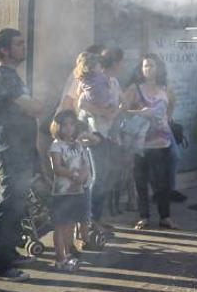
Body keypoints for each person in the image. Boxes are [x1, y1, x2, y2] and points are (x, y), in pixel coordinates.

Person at [0, 28, 44, 282]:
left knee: (17, 205)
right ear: (4, 50)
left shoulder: (12, 76)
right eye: (19, 44)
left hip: (22, 150)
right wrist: (37, 107)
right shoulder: (2, 77)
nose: (24, 47)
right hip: (11, 151)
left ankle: (8, 253)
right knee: (8, 206)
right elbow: (32, 107)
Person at [123, 54, 178, 230]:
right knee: (141, 181)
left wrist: (166, 121)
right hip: (141, 144)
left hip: (162, 142)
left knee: (162, 182)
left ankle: (165, 217)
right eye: (145, 66)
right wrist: (140, 113)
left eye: (152, 66)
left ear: (158, 68)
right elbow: (122, 110)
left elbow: (172, 105)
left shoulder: (165, 88)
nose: (148, 69)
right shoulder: (135, 88)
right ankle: (144, 217)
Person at [74, 50, 121, 232]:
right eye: (96, 65)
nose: (99, 68)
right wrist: (105, 112)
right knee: (98, 177)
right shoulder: (86, 83)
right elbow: (82, 105)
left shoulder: (107, 81)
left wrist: (113, 112)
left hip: (105, 133)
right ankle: (89, 220)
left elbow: (117, 105)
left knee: (104, 177)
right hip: (93, 135)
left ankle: (95, 218)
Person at [48, 110, 94, 271]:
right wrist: (74, 176)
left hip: (78, 191)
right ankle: (60, 258)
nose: (68, 128)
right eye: (64, 124)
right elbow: (57, 168)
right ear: (57, 126)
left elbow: (85, 164)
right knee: (60, 225)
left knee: (71, 224)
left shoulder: (79, 145)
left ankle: (68, 254)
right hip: (63, 192)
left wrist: (83, 175)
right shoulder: (56, 145)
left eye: (71, 124)